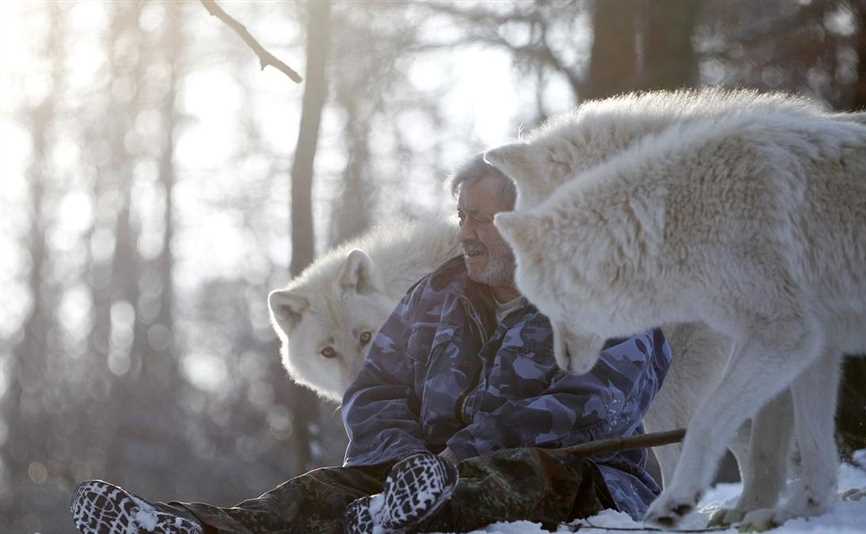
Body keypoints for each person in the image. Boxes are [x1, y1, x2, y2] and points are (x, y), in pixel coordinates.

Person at [70, 155, 671, 534]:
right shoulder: (434, 297)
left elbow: (591, 407)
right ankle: (191, 527)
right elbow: (375, 388)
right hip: (422, 474)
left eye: (483, 220)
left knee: (512, 478)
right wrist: (401, 459)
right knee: (315, 492)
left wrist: (454, 459)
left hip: (580, 480)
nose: (465, 234)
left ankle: (394, 515)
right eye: (462, 216)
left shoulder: (605, 295)